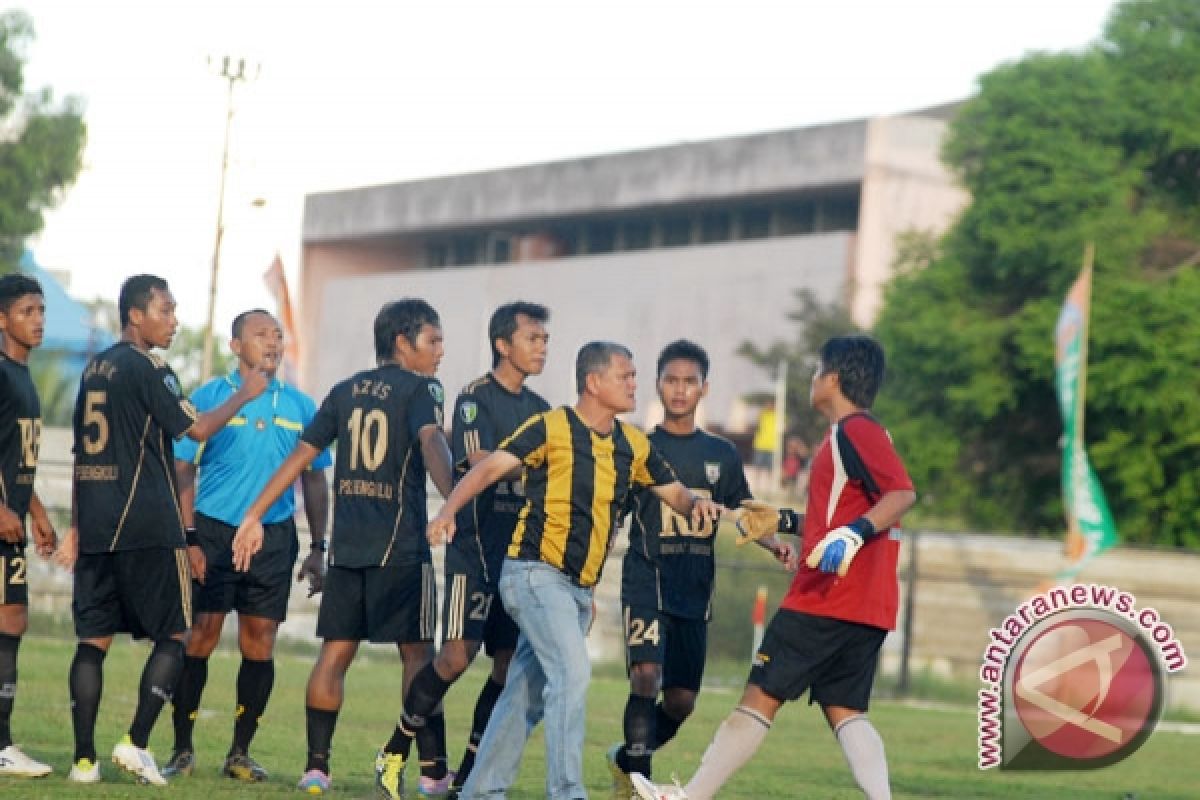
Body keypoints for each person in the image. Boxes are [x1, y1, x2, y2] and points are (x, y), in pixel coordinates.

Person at [426, 341, 724, 800]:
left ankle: (479, 792)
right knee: (572, 674)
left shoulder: (632, 444)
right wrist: (447, 512)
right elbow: (486, 470)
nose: (633, 383)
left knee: (523, 694)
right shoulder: (551, 427)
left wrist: (696, 504)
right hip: (532, 573)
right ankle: (567, 792)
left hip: (578, 592)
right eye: (625, 375)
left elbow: (676, 493)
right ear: (593, 382)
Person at [631, 335, 917, 800]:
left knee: (759, 697)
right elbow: (835, 519)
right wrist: (783, 520)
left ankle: (689, 796)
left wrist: (855, 534)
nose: (811, 379)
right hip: (867, 605)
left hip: (828, 599)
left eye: (815, 370)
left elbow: (902, 493)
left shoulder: (854, 430)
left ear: (834, 379)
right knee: (847, 711)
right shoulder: (858, 434)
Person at [230, 298, 454, 796]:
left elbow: (299, 459)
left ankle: (316, 769)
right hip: (401, 551)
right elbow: (432, 441)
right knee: (420, 658)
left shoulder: (344, 390)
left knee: (335, 654)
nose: (441, 350)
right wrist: (454, 497)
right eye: (433, 340)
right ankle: (432, 772)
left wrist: (253, 515)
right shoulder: (423, 389)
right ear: (402, 341)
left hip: (349, 552)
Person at [56, 274, 269, 785]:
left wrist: (79, 525)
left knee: (93, 640)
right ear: (136, 316)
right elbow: (194, 429)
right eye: (166, 311)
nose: (174, 321)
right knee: (176, 634)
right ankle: (136, 742)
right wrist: (244, 394)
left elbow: (83, 454)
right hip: (149, 524)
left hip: (100, 523)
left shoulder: (95, 368)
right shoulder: (150, 366)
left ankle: (84, 761)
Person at [374, 301, 551, 799]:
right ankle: (394, 747)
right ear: (503, 344)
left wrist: (523, 465)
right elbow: (477, 460)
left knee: (505, 662)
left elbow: (533, 468)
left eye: (544, 341)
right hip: (475, 548)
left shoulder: (542, 410)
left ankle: (468, 775)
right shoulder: (474, 398)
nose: (541, 348)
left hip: (520, 552)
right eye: (532, 339)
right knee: (454, 657)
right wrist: (530, 463)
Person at [606, 340, 798, 798]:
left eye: (689, 382)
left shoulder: (722, 454)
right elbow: (614, 512)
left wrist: (774, 545)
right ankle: (636, 786)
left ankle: (626, 759)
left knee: (680, 702)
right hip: (646, 581)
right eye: (671, 380)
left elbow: (744, 512)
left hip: (694, 591)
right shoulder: (639, 447)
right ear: (658, 384)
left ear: (703, 388)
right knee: (646, 677)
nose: (679, 389)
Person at [161, 309, 332, 782]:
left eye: (277, 336)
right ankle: (181, 749)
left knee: (260, 643)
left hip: (275, 537)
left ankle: (240, 752)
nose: (272, 343)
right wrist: (189, 535)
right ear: (236, 345)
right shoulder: (211, 397)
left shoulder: (301, 405)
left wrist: (318, 545)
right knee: (201, 635)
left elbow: (316, 480)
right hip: (214, 532)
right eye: (261, 335)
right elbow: (182, 468)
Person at [0, 273, 57, 778]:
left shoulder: (25, 378)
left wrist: (36, 512)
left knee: (12, 621)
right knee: (9, 620)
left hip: (13, 524)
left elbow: (17, 458)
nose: (37, 320)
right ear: (2, 319)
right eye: (26, 312)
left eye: (40, 311)